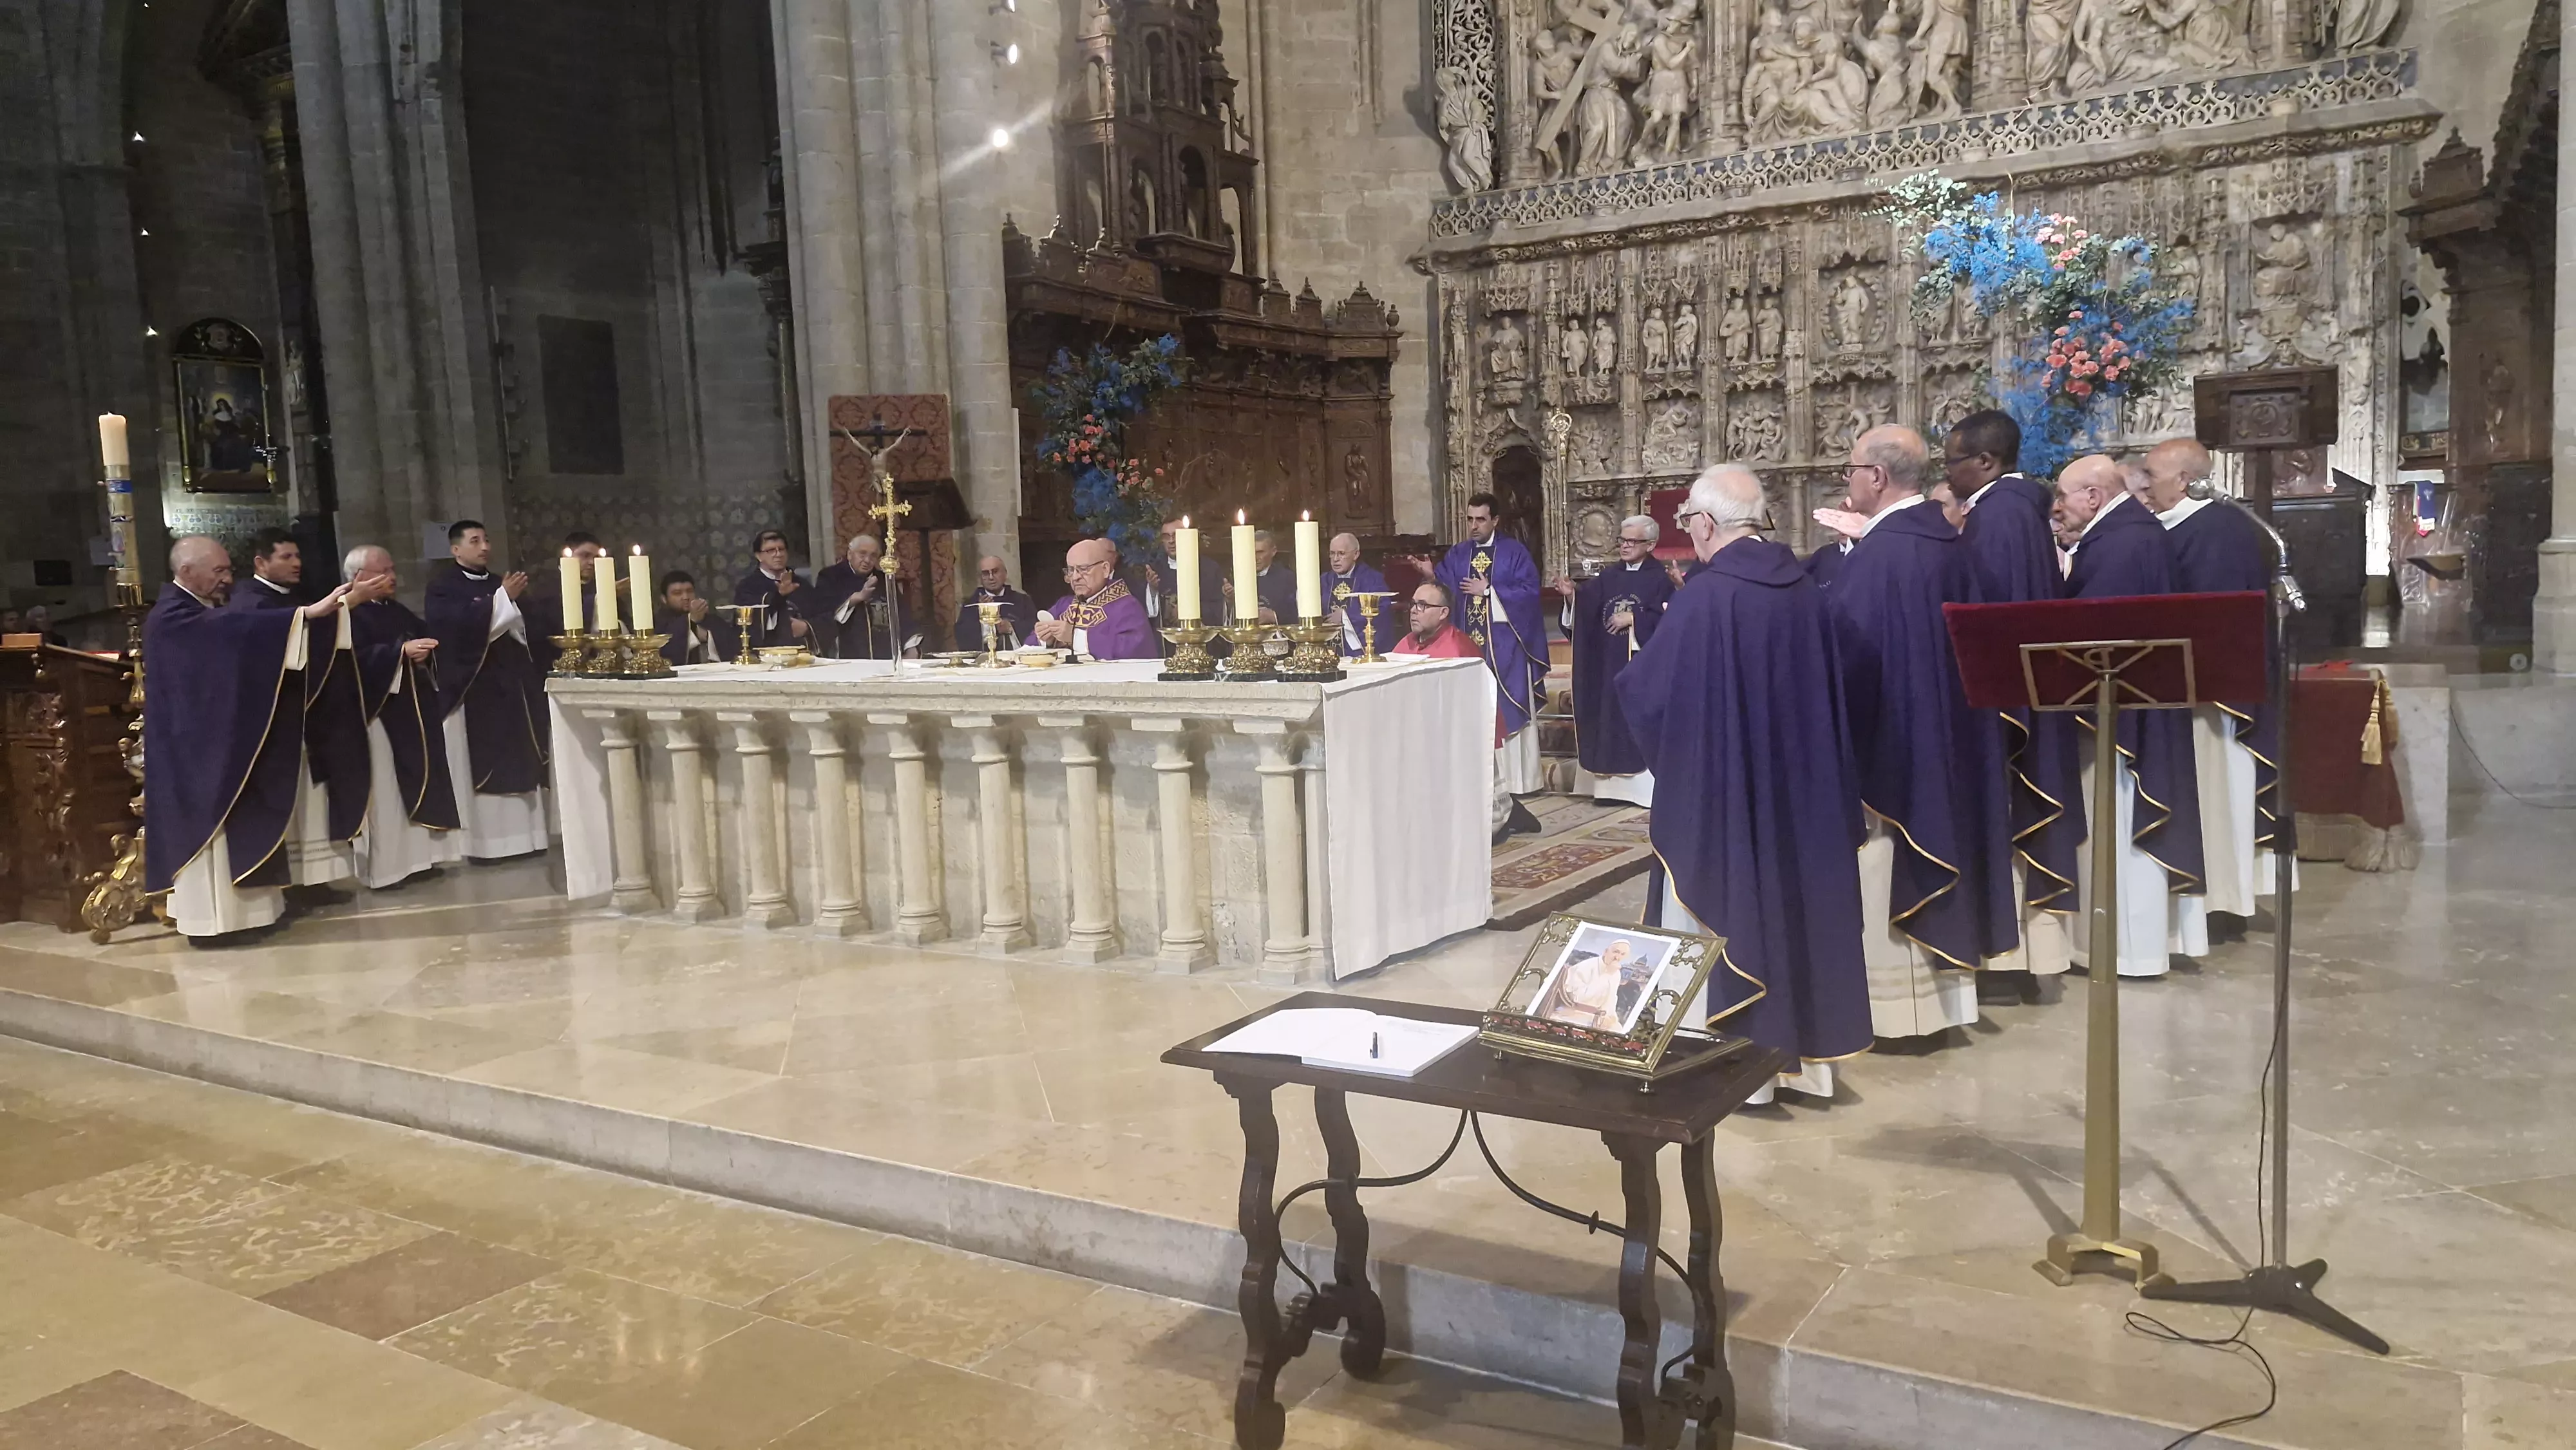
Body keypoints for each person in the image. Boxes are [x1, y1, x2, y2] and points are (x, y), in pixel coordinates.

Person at [1617, 464, 1871, 1101]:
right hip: (1801, 792)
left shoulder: (1708, 596)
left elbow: (1651, 694)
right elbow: (1849, 671)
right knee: (1798, 907)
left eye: (1686, 524)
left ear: (1704, 523)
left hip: (1724, 795)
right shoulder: (1804, 586)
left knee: (1722, 900)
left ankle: (1730, 1067)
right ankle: (1806, 1064)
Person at [1821, 426, 2019, 1041]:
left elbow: (1846, 666)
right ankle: (1946, 1002)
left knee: (1887, 861)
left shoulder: (1882, 558)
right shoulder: (1947, 544)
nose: (1847, 479)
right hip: (1951, 743)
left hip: (1894, 755)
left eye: (1850, 467)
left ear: (1876, 478)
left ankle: (1897, 1013)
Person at [144, 536, 357, 941]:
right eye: (218, 571)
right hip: (194, 750)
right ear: (187, 572)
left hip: (218, 738)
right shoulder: (173, 615)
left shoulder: (201, 609)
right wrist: (304, 615)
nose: (227, 579)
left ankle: (252, 914)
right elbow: (230, 630)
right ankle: (217, 925)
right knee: (212, 831)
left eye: (228, 570)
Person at [1942, 409, 2080, 993]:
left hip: (2002, 703)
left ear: (1985, 461)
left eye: (1952, 461)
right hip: (2029, 693)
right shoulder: (2017, 509)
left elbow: (1984, 617)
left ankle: (2008, 958)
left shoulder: (1997, 518)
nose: (1947, 474)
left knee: (2004, 816)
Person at [2054, 454, 2208, 977]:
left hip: (2122, 718)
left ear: (2094, 496)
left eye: (2066, 496)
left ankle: (2129, 949)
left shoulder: (2120, 543)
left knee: (2121, 826)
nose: (2060, 507)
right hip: (2145, 703)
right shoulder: (2131, 532)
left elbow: (2091, 635)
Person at [2142, 437, 2288, 937]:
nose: (2145, 485)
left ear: (2185, 481)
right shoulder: (2191, 526)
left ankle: (2221, 904)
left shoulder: (2215, 531)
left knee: (2218, 796)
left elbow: (2211, 621)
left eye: (2152, 476)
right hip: (2201, 690)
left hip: (2215, 695)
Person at [226, 527, 372, 902]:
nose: (297, 564)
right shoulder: (248, 599)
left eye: (298, 556)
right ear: (261, 562)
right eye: (286, 557)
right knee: (288, 801)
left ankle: (314, 879)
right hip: (274, 725)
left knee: (311, 799)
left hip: (306, 720)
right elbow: (271, 639)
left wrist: (337, 610)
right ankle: (290, 883)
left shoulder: (290, 598)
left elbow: (309, 629)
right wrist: (341, 608)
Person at [424, 520, 551, 860]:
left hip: (514, 686)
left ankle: (531, 838)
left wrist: (512, 606)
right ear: (455, 549)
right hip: (479, 688)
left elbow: (527, 625)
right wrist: (502, 602)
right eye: (475, 540)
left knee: (522, 754)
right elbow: (453, 631)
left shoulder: (499, 583)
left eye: (487, 539)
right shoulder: (442, 588)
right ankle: (489, 847)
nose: (484, 547)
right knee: (490, 759)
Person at [341, 545, 463, 889]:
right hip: (378, 715)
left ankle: (422, 860)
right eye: (383, 571)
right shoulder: (347, 614)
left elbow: (424, 638)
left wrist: (424, 653)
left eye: (392, 569)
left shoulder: (394, 610)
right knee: (387, 789)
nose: (392, 577)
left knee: (417, 778)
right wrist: (399, 654)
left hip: (412, 711)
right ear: (358, 578)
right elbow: (349, 663)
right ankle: (389, 868)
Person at [1553, 516, 1672, 806]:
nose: (1625, 546)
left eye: (1632, 541)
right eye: (1622, 539)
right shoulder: (1609, 576)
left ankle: (1640, 791)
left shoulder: (1661, 579)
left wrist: (1634, 618)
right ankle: (1609, 790)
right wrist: (1572, 597)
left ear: (1651, 545)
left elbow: (1670, 620)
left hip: (1639, 668)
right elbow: (1587, 608)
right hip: (1607, 664)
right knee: (1608, 715)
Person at [1436, 493, 1548, 795]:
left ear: (1495, 520)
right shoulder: (1458, 554)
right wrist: (1427, 574)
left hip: (1506, 647)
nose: (1474, 526)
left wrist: (1489, 591)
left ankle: (1518, 782)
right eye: (1470, 519)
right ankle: (1478, 782)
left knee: (1508, 705)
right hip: (1468, 648)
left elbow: (1529, 592)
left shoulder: (1514, 553)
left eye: (1481, 519)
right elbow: (1443, 587)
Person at [1035, 538, 1155, 659]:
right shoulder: (1064, 605)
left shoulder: (1127, 607)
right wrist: (1047, 641)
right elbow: (1031, 644)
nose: (1075, 577)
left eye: (1083, 569)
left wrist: (1074, 637)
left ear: (1105, 569)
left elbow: (1131, 650)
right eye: (1071, 570)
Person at [813, 534, 897, 659]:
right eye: (862, 554)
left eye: (873, 556)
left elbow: (902, 614)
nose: (867, 560)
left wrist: (911, 648)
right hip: (846, 656)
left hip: (884, 656)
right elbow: (822, 615)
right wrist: (855, 599)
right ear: (850, 554)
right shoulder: (830, 577)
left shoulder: (884, 579)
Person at [731, 530, 817, 650]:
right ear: (759, 556)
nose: (778, 554)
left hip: (804, 654)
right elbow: (752, 624)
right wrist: (780, 596)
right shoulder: (748, 587)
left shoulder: (801, 584)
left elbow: (823, 615)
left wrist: (807, 626)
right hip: (766, 655)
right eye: (771, 551)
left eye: (781, 549)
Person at [1318, 533, 1396, 657]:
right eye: (1332, 553)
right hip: (1328, 653)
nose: (1336, 559)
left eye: (1341, 553)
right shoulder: (1324, 581)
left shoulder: (1372, 579)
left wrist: (1345, 616)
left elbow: (1382, 610)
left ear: (1356, 555)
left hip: (1359, 653)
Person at [954, 555, 1037, 652]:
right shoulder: (971, 604)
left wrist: (1012, 628)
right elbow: (962, 634)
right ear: (980, 578)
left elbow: (1035, 627)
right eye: (985, 573)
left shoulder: (1022, 600)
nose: (991, 577)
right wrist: (984, 623)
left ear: (1005, 574)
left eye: (995, 572)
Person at [656, 572, 738, 666]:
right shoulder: (659, 623)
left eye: (690, 591)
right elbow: (665, 653)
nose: (686, 597)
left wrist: (709, 635)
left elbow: (733, 650)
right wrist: (692, 623)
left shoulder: (713, 620)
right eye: (677, 593)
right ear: (664, 599)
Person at [1389, 579, 1475, 657]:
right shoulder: (1407, 643)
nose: (1413, 610)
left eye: (1422, 605)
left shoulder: (1458, 652)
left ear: (1443, 613)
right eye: (1413, 604)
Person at [1249, 530, 1300, 625]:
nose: (1255, 558)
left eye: (1260, 552)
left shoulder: (1288, 579)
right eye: (1252, 552)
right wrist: (1230, 601)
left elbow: (1299, 613)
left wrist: (1274, 616)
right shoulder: (1241, 578)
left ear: (1273, 552)